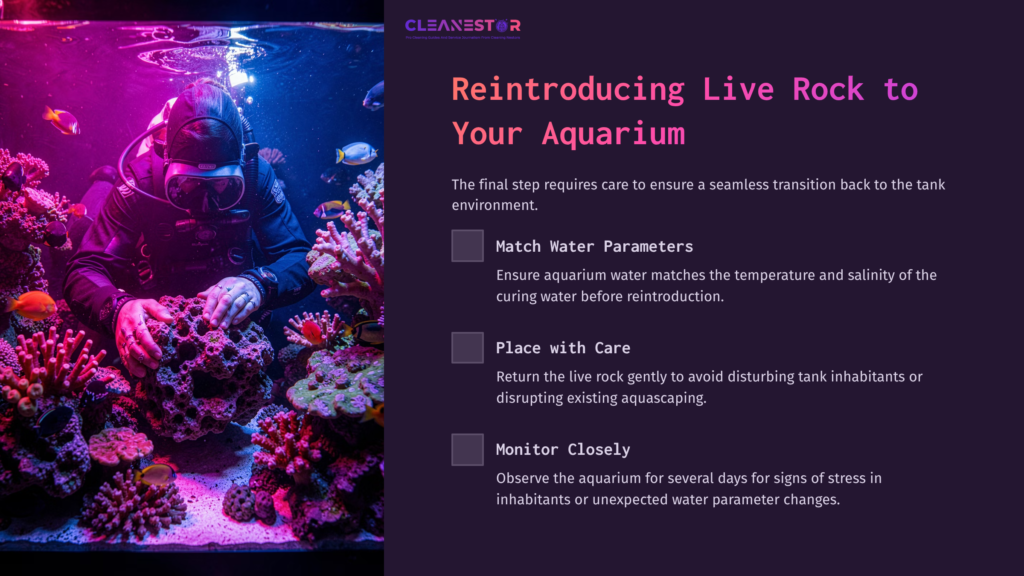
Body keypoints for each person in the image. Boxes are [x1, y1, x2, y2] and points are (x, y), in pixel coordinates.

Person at [63, 79, 314, 378]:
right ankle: (102, 181)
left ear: (241, 167)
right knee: (79, 231)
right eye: (189, 184)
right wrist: (116, 309)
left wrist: (259, 284)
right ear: (166, 164)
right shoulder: (140, 178)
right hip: (151, 298)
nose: (205, 204)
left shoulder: (256, 173)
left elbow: (301, 255)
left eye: (222, 185)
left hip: (233, 324)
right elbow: (84, 268)